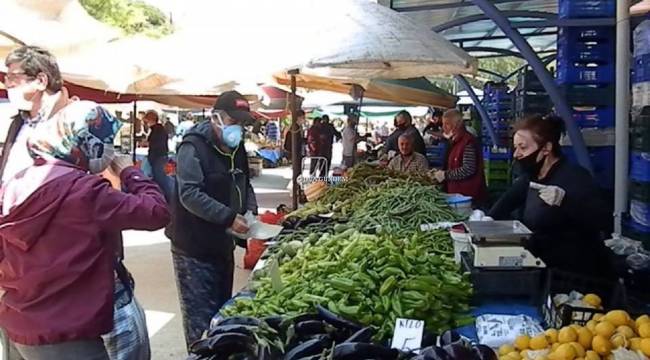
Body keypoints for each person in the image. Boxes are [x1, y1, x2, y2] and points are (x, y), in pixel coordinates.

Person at [1, 45, 156, 360]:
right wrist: (129, 173)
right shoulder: (82, 185)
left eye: (13, 77)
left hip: (37, 286)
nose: (7, 84)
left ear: (42, 80)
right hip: (44, 285)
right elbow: (155, 213)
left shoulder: (67, 121)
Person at [170, 90, 258, 349]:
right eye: (234, 122)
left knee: (222, 315)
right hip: (193, 249)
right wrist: (229, 217)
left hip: (223, 244)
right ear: (216, 118)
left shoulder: (237, 147)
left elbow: (245, 182)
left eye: (243, 123)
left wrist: (250, 211)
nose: (239, 129)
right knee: (200, 324)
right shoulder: (192, 147)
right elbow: (189, 193)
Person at [488, 114, 612, 277]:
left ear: (546, 148)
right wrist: (485, 221)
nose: (516, 154)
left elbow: (602, 219)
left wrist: (565, 201)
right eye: (515, 147)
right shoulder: (532, 177)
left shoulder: (574, 176)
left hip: (574, 272)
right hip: (541, 264)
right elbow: (506, 202)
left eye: (523, 147)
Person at [433, 109, 486, 203]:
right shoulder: (454, 141)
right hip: (457, 195)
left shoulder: (468, 142)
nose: (443, 127)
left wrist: (445, 175)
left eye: (447, 124)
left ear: (457, 124)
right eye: (443, 124)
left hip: (468, 197)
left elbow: (468, 169)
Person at [142, 110, 171, 200]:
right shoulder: (159, 129)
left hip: (158, 157)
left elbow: (156, 145)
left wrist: (151, 158)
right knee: (159, 178)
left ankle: (168, 198)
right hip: (160, 156)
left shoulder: (156, 130)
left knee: (160, 179)